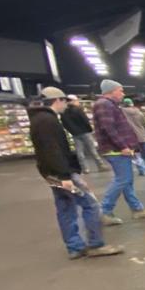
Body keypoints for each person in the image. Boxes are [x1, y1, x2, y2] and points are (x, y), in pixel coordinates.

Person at [28, 87, 123, 259]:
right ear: (58, 100)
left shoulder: (39, 119)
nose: (67, 105)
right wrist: (66, 176)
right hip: (61, 175)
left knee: (65, 208)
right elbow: (53, 151)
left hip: (51, 174)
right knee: (90, 204)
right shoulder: (48, 121)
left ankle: (74, 247)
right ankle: (95, 244)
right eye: (65, 101)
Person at [92, 79, 145, 224]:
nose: (123, 93)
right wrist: (123, 146)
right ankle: (105, 211)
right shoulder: (104, 105)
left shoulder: (110, 105)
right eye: (120, 90)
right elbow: (108, 128)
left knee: (127, 181)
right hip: (115, 150)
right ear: (111, 91)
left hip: (118, 149)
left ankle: (137, 209)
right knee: (122, 179)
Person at [61, 96, 107, 173]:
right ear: (73, 101)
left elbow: (64, 124)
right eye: (76, 100)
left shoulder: (63, 112)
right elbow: (85, 120)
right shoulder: (78, 110)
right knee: (92, 149)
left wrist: (72, 131)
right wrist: (90, 129)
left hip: (75, 134)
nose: (78, 102)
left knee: (79, 151)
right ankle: (100, 165)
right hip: (85, 132)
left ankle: (85, 168)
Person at [121, 97, 145, 175]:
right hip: (142, 136)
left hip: (130, 138)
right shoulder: (139, 113)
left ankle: (141, 169)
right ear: (131, 104)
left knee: (136, 155)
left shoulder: (121, 114)